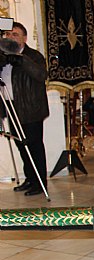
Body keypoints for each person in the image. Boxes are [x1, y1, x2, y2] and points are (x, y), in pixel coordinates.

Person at [3, 22, 49, 196]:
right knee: (21, 146)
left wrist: (21, 60)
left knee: (34, 146)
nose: (10, 37)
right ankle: (30, 178)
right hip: (12, 107)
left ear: (24, 38)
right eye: (8, 34)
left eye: (15, 34)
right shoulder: (4, 56)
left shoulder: (34, 56)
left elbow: (41, 75)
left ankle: (39, 183)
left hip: (31, 108)